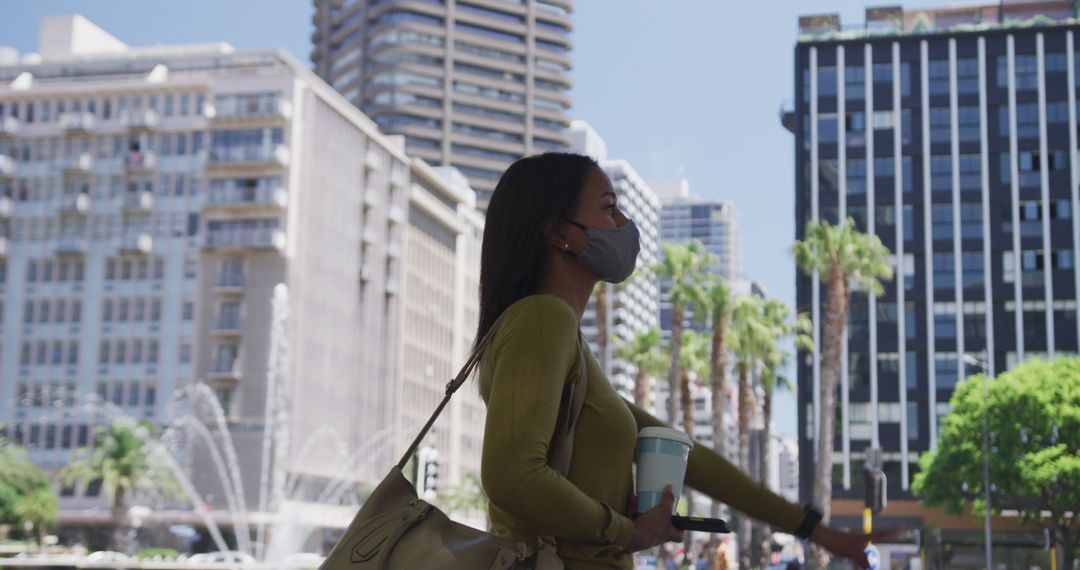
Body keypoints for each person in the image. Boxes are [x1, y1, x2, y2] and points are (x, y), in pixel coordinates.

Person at [476, 153, 894, 569]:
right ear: (557, 232)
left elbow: (687, 455)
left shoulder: (567, 343)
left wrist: (817, 531)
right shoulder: (543, 318)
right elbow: (512, 475)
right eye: (608, 207)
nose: (625, 223)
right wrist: (629, 532)